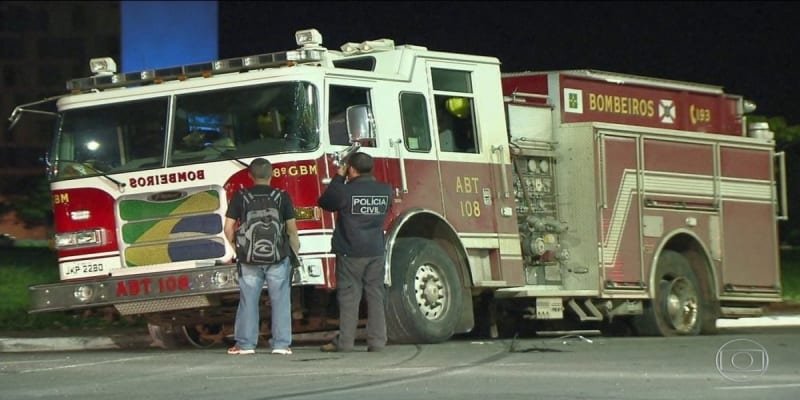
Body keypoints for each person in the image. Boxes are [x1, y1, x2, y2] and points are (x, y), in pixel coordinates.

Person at [224, 158, 300, 355]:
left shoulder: (241, 196)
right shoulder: (282, 196)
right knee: (281, 299)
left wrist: (237, 248)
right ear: (272, 174)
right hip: (278, 256)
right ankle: (281, 344)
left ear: (250, 175)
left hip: (248, 258)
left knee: (248, 300)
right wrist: (294, 251)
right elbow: (291, 229)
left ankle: (246, 344)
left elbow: (228, 227)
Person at [318, 152, 392, 352]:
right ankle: (377, 342)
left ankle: (345, 343)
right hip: (375, 249)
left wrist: (339, 177)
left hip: (350, 250)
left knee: (350, 298)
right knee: (376, 295)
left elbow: (325, 202)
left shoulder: (345, 191)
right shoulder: (385, 190)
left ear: (351, 169)